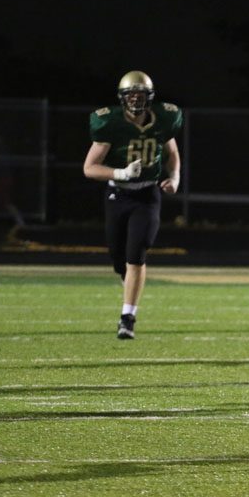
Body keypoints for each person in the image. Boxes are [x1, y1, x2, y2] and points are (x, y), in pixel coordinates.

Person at [83, 71, 182, 339]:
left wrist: (174, 177)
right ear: (122, 98)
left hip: (148, 194)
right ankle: (128, 288)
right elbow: (89, 168)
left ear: (150, 97)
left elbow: (172, 152)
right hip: (119, 194)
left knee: (136, 254)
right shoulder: (110, 123)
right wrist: (121, 173)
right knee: (119, 259)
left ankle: (127, 318)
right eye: (131, 95)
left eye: (141, 95)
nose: (136, 100)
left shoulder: (164, 119)